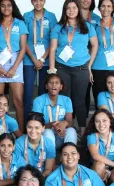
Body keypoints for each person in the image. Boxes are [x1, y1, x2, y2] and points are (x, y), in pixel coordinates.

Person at [49, 0, 98, 135]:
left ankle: (82, 130)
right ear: (65, 11)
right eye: (68, 8)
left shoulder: (87, 26)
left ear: (78, 9)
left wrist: (89, 65)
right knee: (64, 99)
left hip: (81, 68)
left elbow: (95, 45)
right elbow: (53, 49)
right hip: (62, 67)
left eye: (74, 7)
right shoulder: (58, 27)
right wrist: (52, 70)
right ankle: (66, 129)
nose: (71, 10)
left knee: (79, 101)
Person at [0, 0, 28, 132]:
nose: (6, 8)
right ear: (0, 8)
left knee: (18, 102)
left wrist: (14, 68)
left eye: (9, 5)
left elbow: (23, 49)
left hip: (15, 62)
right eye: (3, 6)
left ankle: (20, 134)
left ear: (13, 7)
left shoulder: (20, 24)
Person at [22, 0, 57, 125]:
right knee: (28, 94)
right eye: (35, 0)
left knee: (44, 94)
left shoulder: (51, 16)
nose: (38, 3)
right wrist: (34, 59)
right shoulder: (26, 16)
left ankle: (42, 124)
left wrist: (42, 58)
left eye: (41, 0)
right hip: (29, 59)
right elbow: (23, 40)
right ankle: (28, 125)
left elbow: (54, 39)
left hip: (46, 60)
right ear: (32, 1)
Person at [90, 0, 114, 109]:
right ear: (99, 8)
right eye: (103, 6)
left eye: (108, 6)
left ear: (112, 8)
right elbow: (90, 46)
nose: (106, 9)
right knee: (100, 101)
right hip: (98, 67)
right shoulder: (94, 25)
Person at [32, 74, 77, 148]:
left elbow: (70, 123)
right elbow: (36, 125)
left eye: (57, 83)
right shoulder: (38, 100)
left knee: (71, 131)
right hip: (45, 135)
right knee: (48, 132)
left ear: (61, 86)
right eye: (51, 82)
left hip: (62, 135)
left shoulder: (67, 100)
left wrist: (64, 123)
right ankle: (50, 157)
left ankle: (69, 155)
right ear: (46, 86)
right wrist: (52, 124)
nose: (54, 85)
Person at [86, 109, 114, 183]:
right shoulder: (91, 136)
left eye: (104, 120)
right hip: (97, 167)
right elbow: (95, 156)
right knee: (100, 165)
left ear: (110, 122)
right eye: (97, 121)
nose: (101, 124)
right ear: (94, 123)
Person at [14, 112, 55, 177]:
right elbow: (19, 169)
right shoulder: (18, 144)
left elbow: (48, 169)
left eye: (37, 128)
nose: (33, 131)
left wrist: (39, 178)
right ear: (26, 127)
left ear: (43, 128)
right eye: (29, 127)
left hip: (42, 177)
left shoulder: (49, 144)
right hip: (23, 177)